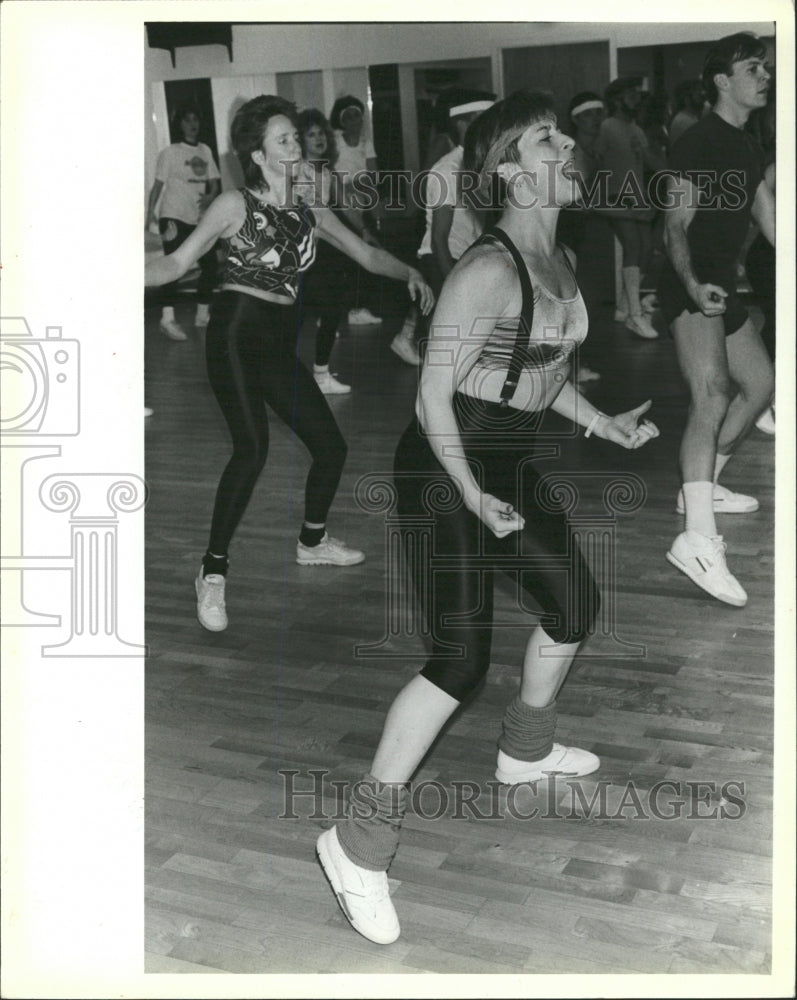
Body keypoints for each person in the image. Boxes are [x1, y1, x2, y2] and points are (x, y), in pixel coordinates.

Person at [316, 89, 660, 946]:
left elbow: (539, 375)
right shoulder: (484, 270)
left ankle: (525, 749)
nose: (567, 148)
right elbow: (433, 394)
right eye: (548, 140)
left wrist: (598, 421)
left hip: (501, 456)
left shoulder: (560, 258)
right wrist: (468, 492)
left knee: (573, 608)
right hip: (443, 465)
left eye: (564, 137)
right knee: (458, 658)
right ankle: (356, 843)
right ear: (509, 168)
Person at [145, 96, 434, 632]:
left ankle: (313, 541)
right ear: (258, 155)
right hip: (235, 333)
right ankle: (211, 571)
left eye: (295, 138)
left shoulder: (309, 205)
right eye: (284, 140)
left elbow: (365, 253)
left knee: (330, 445)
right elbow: (175, 264)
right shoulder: (234, 205)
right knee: (252, 449)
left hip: (279, 339)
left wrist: (409, 273)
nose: (295, 145)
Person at [658, 32, 774, 607]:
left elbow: (770, 223)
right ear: (721, 82)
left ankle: (701, 488)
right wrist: (690, 285)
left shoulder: (750, 145)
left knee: (760, 386)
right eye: (753, 67)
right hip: (690, 283)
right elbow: (674, 225)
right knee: (712, 394)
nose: (765, 75)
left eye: (766, 67)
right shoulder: (697, 141)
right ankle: (697, 538)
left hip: (722, 286)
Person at [395, 89, 496, 365]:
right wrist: (454, 282)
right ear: (464, 125)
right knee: (446, 348)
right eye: (484, 120)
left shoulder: (482, 166)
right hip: (441, 260)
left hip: (466, 258)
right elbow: (440, 238)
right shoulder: (447, 170)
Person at [297, 107, 379, 395]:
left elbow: (346, 207)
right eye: (311, 134)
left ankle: (320, 374)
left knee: (332, 309)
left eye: (321, 133)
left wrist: (367, 233)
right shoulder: (295, 171)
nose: (318, 138)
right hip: (299, 255)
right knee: (291, 316)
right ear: (301, 140)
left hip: (323, 251)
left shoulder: (327, 171)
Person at [146, 104, 221, 341]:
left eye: (195, 120)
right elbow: (157, 186)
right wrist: (150, 214)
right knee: (172, 269)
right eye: (188, 120)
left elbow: (216, 184)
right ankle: (167, 320)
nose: (193, 124)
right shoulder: (170, 153)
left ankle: (202, 315)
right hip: (174, 216)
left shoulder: (205, 150)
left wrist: (211, 196)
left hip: (197, 218)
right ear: (180, 124)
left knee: (210, 265)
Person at [595, 77, 661, 340]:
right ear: (616, 100)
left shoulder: (635, 127)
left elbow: (648, 159)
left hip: (637, 194)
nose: (636, 100)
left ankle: (623, 308)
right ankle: (634, 315)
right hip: (616, 195)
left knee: (645, 250)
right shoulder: (607, 127)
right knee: (633, 247)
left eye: (637, 96)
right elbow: (597, 163)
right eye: (631, 96)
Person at [558, 90, 606, 384]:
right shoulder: (573, 154)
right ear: (575, 120)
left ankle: (575, 366)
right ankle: (567, 371)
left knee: (589, 302)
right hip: (565, 233)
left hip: (582, 233)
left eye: (599, 113)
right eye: (588, 114)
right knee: (576, 303)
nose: (595, 120)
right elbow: (579, 203)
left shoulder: (592, 152)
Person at [329, 94, 383, 326]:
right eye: (348, 116)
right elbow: (329, 174)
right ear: (340, 120)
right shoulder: (334, 140)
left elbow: (373, 175)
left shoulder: (365, 142)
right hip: (340, 206)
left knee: (367, 253)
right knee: (343, 258)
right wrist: (348, 185)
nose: (354, 120)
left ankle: (360, 307)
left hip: (362, 205)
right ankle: (340, 312)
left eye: (357, 115)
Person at [669, 79, 706, 147]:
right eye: (697, 92)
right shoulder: (684, 121)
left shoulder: (687, 118)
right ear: (686, 98)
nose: (702, 94)